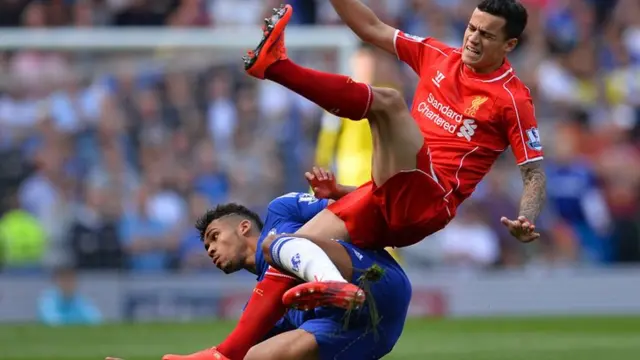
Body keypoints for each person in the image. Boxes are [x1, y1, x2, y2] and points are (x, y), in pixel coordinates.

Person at [242, 0, 546, 307]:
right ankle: (233, 351)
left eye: (487, 35)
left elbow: (533, 172)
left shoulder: (512, 99)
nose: (473, 38)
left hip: (430, 199)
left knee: (387, 102)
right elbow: (371, 28)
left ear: (510, 44)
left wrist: (526, 217)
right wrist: (345, 192)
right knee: (284, 250)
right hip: (385, 193)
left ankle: (276, 67)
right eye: (471, 28)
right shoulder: (437, 55)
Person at [157, 190, 411, 360]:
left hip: (373, 280)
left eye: (214, 236)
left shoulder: (282, 210)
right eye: (206, 247)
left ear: (243, 227)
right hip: (360, 331)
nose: (210, 249)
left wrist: (339, 189)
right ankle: (330, 290)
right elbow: (228, 355)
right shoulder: (260, 304)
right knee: (254, 356)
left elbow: (353, 207)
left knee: (274, 245)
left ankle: (330, 282)